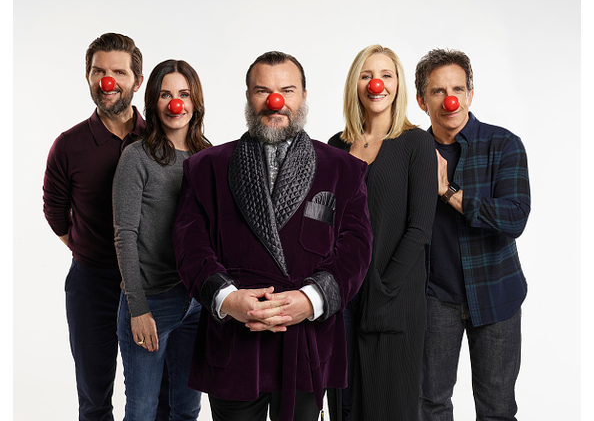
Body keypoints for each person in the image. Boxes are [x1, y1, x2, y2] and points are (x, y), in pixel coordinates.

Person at [171, 51, 373, 421]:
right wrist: (227, 298)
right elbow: (189, 245)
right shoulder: (206, 167)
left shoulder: (343, 170)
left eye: (287, 90)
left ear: (304, 96)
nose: (275, 101)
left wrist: (310, 299)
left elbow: (356, 249)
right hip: (234, 336)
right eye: (262, 90)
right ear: (248, 96)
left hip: (307, 338)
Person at [414, 48, 530, 420]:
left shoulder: (504, 145)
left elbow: (515, 217)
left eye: (458, 89)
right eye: (438, 91)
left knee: (497, 409)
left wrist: (448, 192)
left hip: (497, 296)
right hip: (434, 297)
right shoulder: (410, 152)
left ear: (470, 95)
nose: (450, 99)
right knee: (430, 405)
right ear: (421, 100)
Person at [42, 32, 152, 421]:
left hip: (154, 285)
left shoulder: (160, 138)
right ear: (88, 78)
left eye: (118, 72)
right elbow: (55, 212)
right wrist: (89, 250)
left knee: (151, 399)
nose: (108, 81)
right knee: (93, 400)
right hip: (92, 284)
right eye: (98, 71)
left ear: (137, 82)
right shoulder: (68, 145)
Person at [327, 44, 438, 421]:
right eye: (367, 75)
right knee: (343, 405)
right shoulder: (336, 147)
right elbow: (323, 220)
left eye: (386, 75)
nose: (377, 84)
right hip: (341, 299)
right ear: (355, 84)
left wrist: (384, 286)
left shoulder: (416, 143)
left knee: (389, 406)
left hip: (395, 299)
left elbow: (420, 227)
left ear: (398, 84)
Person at [113, 59, 210, 421]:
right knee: (142, 410)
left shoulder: (207, 155)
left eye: (184, 94)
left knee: (187, 408)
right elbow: (124, 235)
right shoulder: (136, 157)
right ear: (153, 101)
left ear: (195, 102)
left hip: (196, 303)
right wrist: (138, 308)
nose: (176, 104)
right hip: (151, 302)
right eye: (166, 95)